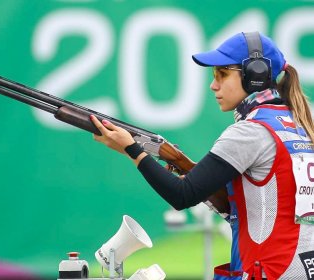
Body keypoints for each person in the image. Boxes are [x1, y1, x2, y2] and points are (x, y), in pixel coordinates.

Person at [90, 31, 314, 279]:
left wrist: (132, 150)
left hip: (269, 272)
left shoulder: (251, 131)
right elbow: (259, 205)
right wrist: (180, 163)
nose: (213, 85)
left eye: (222, 74)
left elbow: (182, 195)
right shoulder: (300, 124)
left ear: (256, 76)